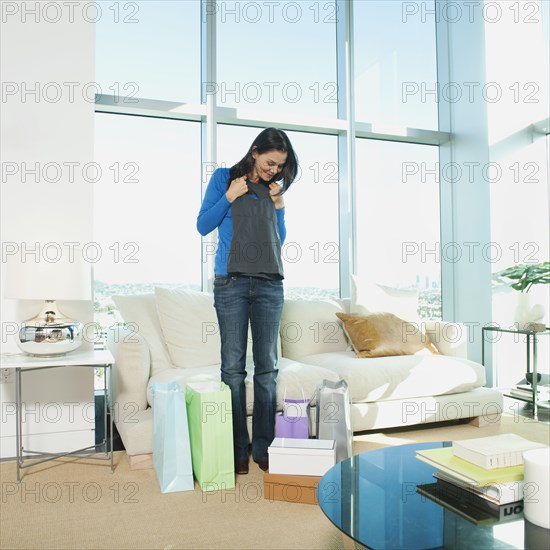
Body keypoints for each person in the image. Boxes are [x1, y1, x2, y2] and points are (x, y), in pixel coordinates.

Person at [197, 128, 298, 474]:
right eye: (270, 163)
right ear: (255, 152)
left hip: (270, 284)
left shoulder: (272, 191)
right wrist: (228, 196)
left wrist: (280, 207)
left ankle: (264, 448)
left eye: (280, 167)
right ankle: (238, 448)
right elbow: (202, 225)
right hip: (232, 284)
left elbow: (276, 240)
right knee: (233, 369)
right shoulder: (225, 177)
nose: (274, 171)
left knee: (268, 368)